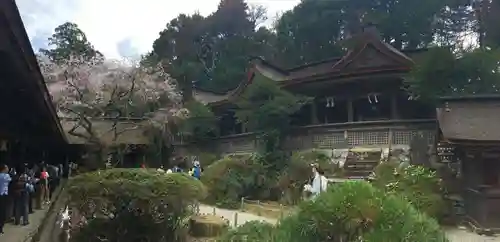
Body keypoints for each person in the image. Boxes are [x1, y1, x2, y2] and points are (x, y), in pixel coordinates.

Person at [0, 164, 11, 234]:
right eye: (7, 168)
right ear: (4, 169)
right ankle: (1, 227)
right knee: (3, 211)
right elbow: (10, 180)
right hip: (4, 194)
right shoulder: (6, 176)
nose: (8, 169)